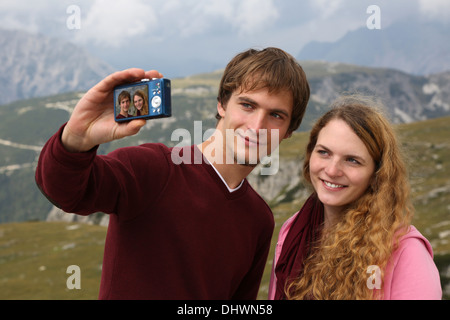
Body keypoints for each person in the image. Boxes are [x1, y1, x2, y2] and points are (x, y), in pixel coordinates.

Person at [35, 47, 310, 299]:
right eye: (247, 105)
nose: (257, 125)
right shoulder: (155, 168)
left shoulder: (259, 219)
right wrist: (75, 139)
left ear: (288, 132)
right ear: (222, 105)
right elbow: (67, 192)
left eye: (276, 115)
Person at [268, 95, 442, 300]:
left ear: (377, 174)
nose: (332, 170)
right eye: (324, 152)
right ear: (310, 155)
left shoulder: (406, 253)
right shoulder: (295, 229)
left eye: (352, 160)